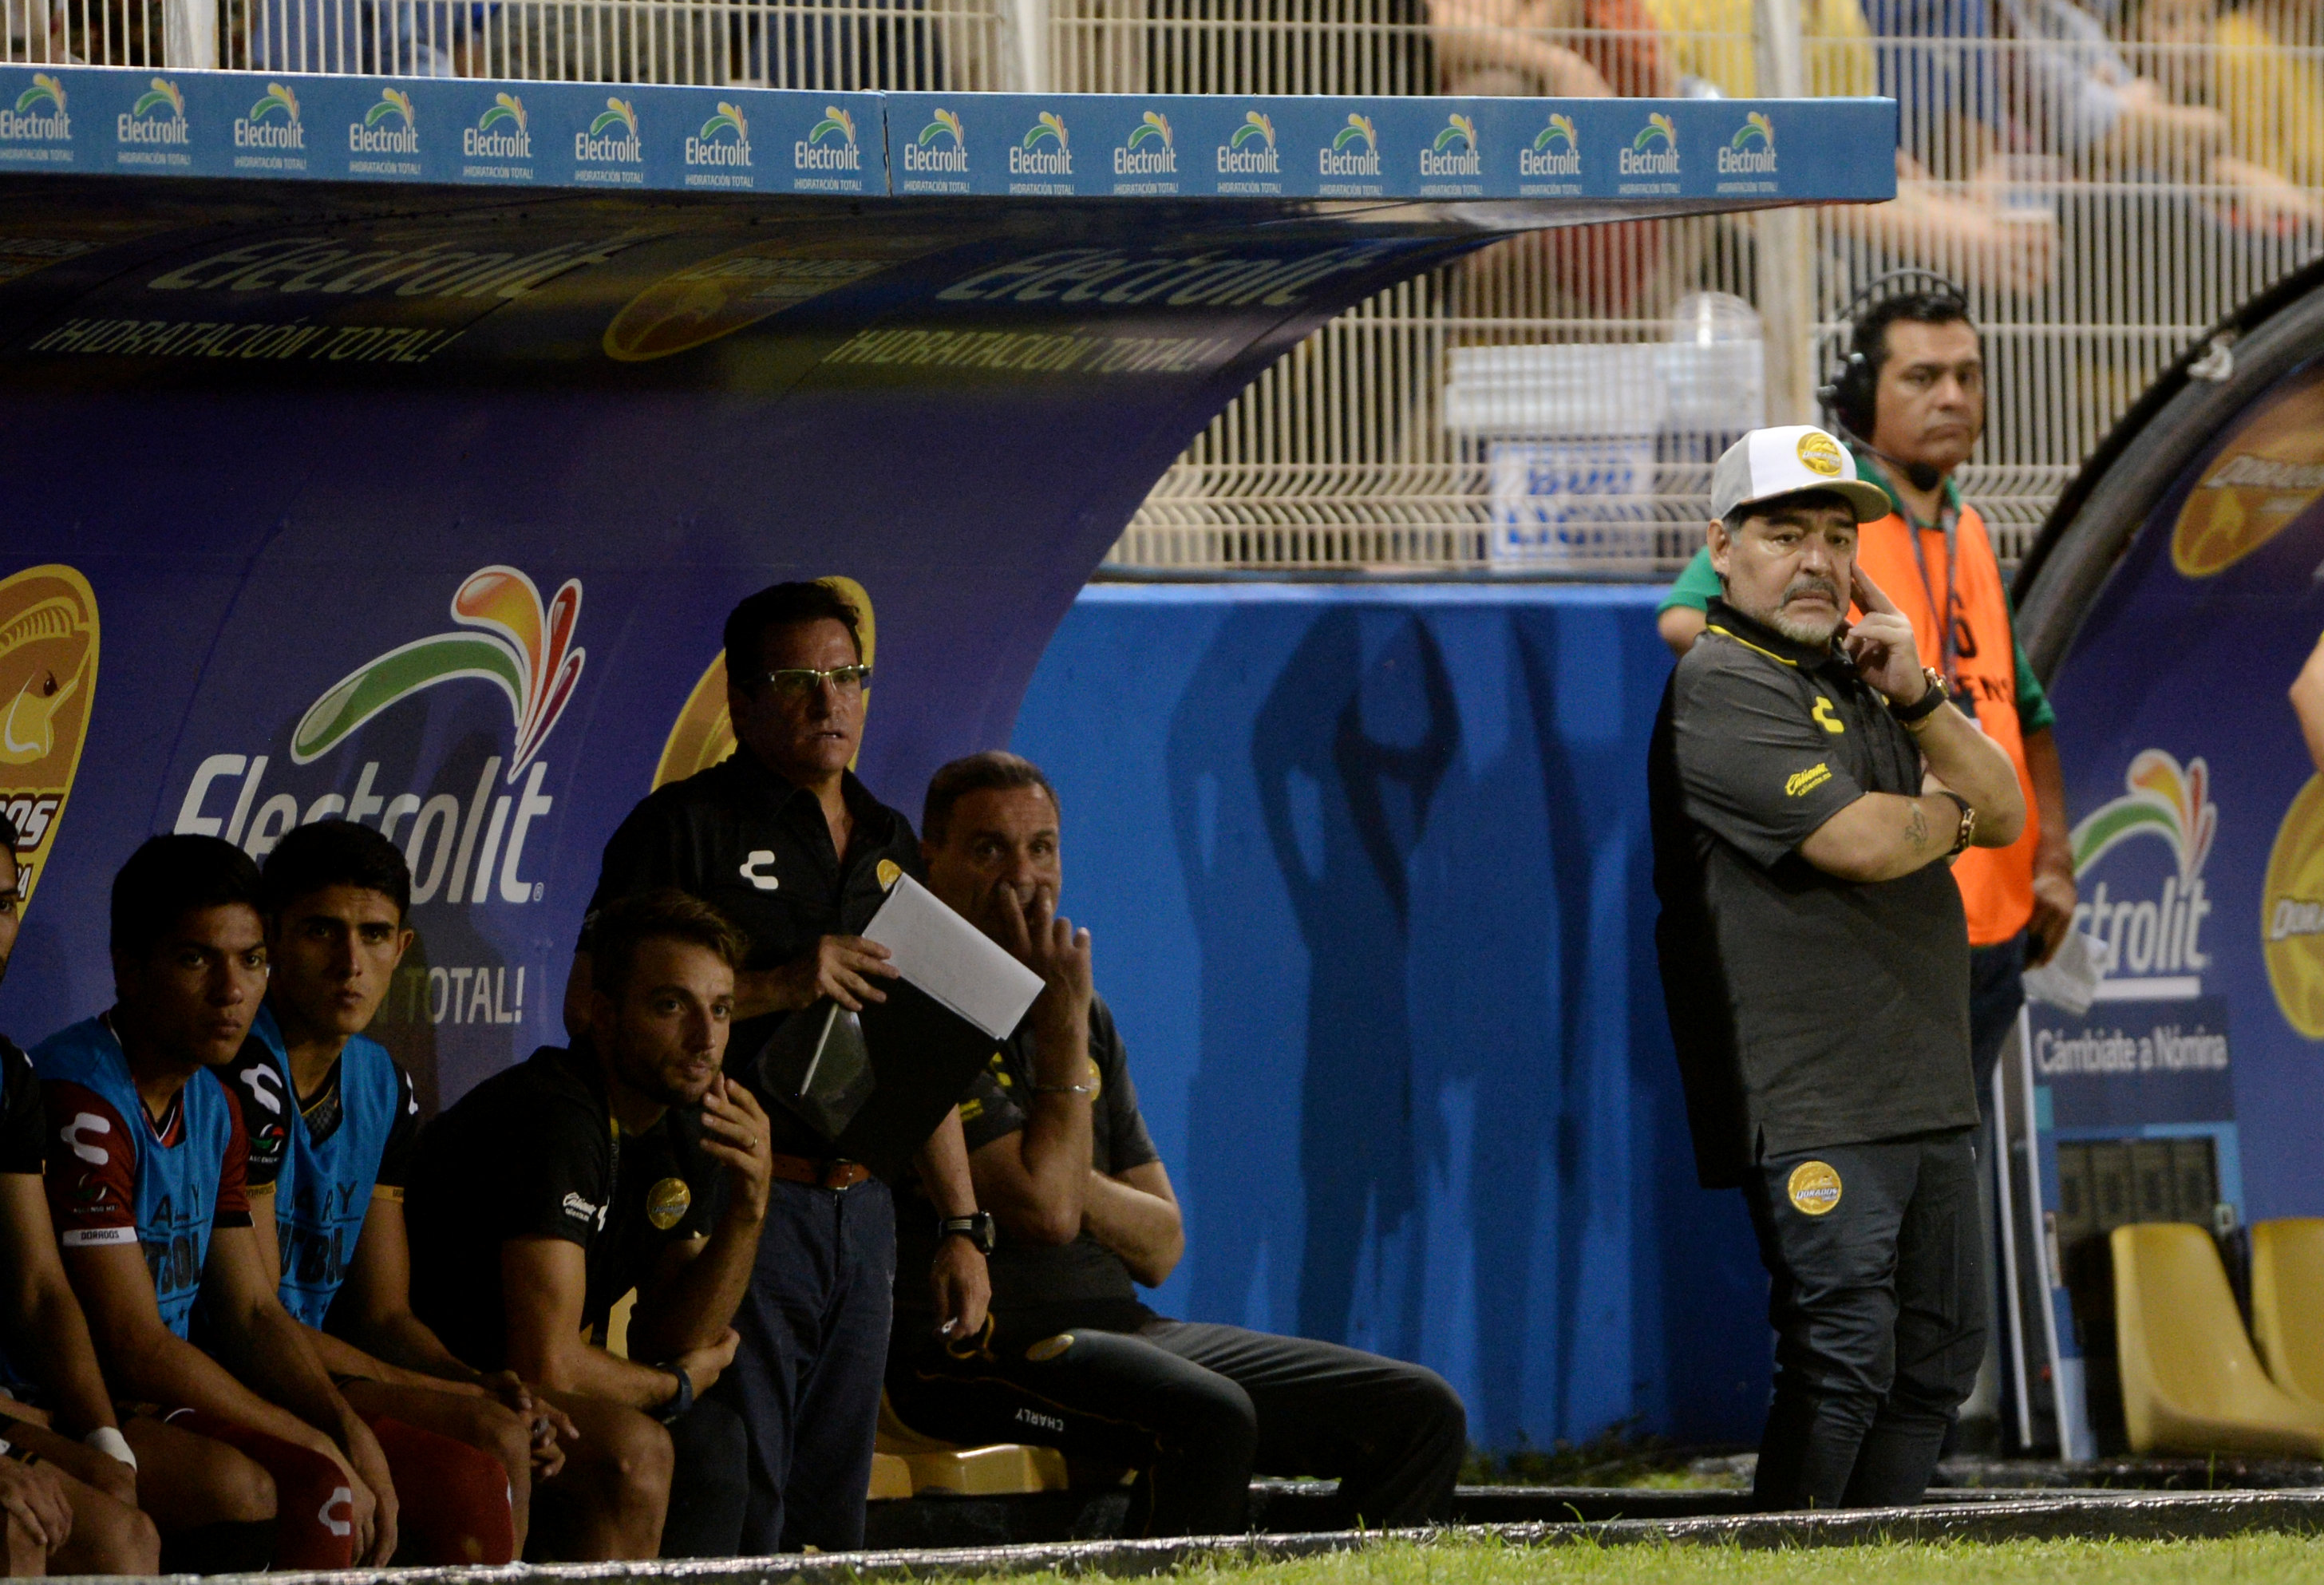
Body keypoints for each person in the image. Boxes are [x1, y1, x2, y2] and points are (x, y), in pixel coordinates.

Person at [886, 752, 1468, 1538]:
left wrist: (1051, 1151)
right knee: (1209, 1416)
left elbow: (1160, 1243)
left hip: (1125, 1327)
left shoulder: (1081, 1013)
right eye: (988, 849)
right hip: (972, 1350)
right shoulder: (918, 997)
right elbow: (1045, 1212)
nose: (1022, 875)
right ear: (933, 858)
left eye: (1042, 847)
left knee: (1417, 1410)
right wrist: (1059, 1054)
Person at [566, 579, 990, 1553]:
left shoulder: (888, 842)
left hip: (864, 1210)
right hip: (735, 1195)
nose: (828, 702)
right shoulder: (683, 828)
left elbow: (916, 1061)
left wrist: (962, 1227)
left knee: (830, 1512)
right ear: (742, 702)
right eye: (798, 681)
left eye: (846, 677)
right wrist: (778, 984)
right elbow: (588, 1011)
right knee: (744, 1497)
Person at [1648, 425, 2027, 1510]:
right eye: (1784, 533)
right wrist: (1952, 818)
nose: (1816, 559)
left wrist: (1918, 699)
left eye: (1834, 536)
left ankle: (1883, 1561)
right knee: (1846, 1353)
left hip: (1923, 1078)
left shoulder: (1868, 677)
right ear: (1723, 546)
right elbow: (1859, 841)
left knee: (1938, 1359)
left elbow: (2006, 805)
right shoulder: (1722, 677)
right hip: (1809, 1090)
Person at [1658, 291, 2077, 1096]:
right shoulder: (1822, 522)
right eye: (1921, 377)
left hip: (1998, 908)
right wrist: (1825, 660)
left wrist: (2051, 857)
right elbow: (1688, 617)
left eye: (1965, 375)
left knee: (1951, 1173)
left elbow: (2023, 709)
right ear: (1857, 396)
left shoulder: (1971, 527)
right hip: (1897, 902)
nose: (1951, 396)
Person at [223, 820, 595, 1563]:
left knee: (511, 1423)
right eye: (321, 933)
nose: (349, 963)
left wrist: (481, 1382)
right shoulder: (237, 1069)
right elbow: (256, 1320)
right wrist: (466, 1402)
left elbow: (384, 1313)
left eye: (374, 934)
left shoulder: (383, 1083)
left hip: (335, 1365)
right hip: (247, 1368)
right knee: (491, 1435)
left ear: (404, 947)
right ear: (270, 938)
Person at [34, 835, 402, 1570]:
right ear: (129, 969)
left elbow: (252, 1310)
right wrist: (310, 1438)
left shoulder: (213, 1098)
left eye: (253, 959)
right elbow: (132, 1344)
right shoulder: (81, 1093)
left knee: (337, 1469)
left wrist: (339, 1424)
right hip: (65, 1401)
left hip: (154, 1393)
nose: (233, 991)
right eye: (197, 959)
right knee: (250, 1488)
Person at [406, 889, 771, 1559]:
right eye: (672, 1005)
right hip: (435, 1378)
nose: (705, 1038)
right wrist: (676, 1385)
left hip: (519, 1388)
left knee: (716, 1442)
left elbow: (673, 1331)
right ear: (603, 1016)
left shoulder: (686, 1114)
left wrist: (748, 1211)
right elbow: (546, 1361)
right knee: (640, 1449)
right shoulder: (556, 1116)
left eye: (720, 1010)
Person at [0, 816, 166, 1578]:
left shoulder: (7, 1075)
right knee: (20, 1528)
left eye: (2, 906)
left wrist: (105, 1438)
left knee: (120, 1514)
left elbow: (40, 1288)